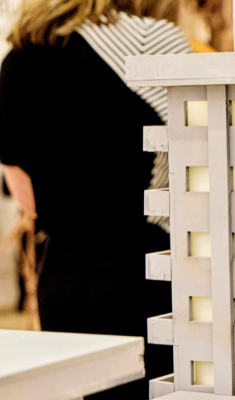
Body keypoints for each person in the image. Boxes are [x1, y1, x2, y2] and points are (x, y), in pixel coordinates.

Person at [0, 0, 191, 398]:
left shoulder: (16, 60)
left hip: (63, 281)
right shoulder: (149, 39)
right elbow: (198, 162)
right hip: (145, 271)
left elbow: (25, 194)